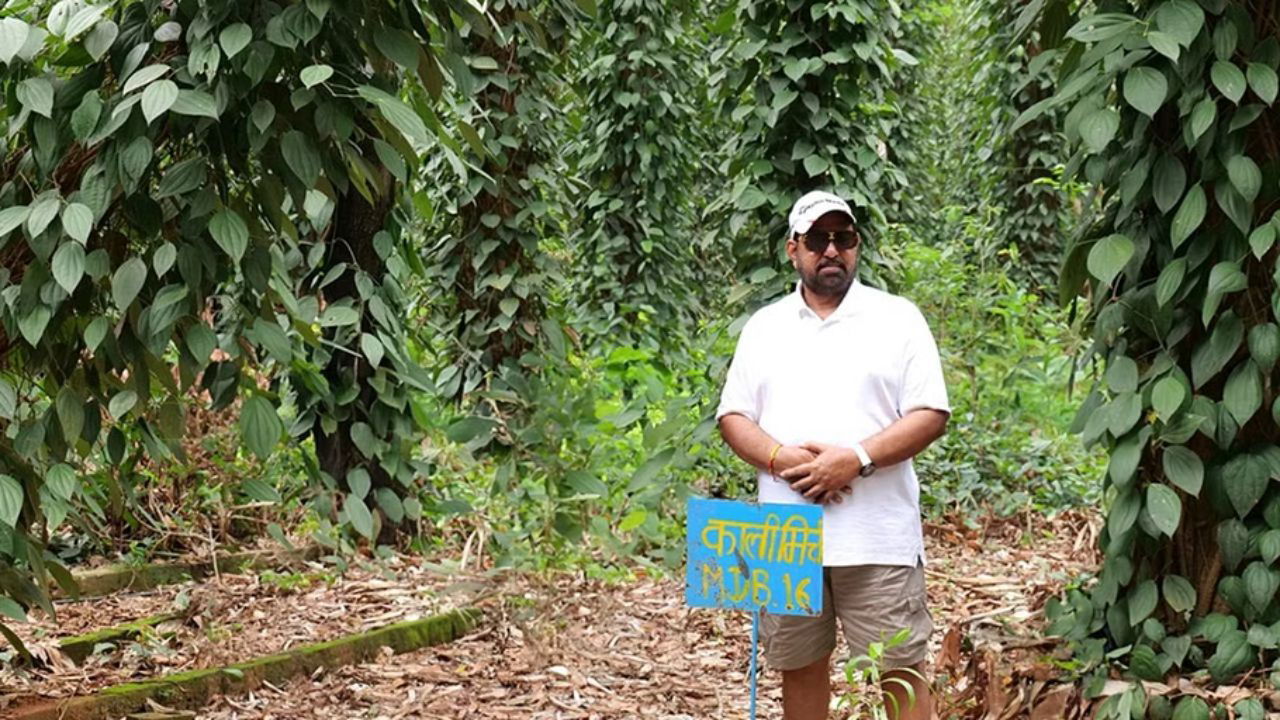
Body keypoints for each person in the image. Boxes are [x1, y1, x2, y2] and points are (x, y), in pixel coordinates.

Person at [716, 190, 950, 720]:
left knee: (901, 669)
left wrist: (857, 458)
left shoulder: (897, 318)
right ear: (792, 249)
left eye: (842, 238)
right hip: (785, 534)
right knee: (798, 667)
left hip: (877, 535)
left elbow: (930, 412)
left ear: (856, 245)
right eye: (817, 239)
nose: (831, 250)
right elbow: (733, 416)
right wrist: (781, 459)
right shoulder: (764, 327)